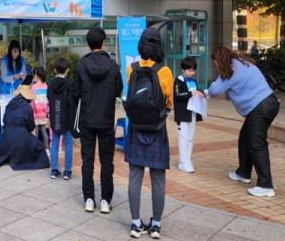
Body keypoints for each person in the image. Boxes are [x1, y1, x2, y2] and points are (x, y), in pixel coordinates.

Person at [207, 46, 279, 198]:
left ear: (220, 60)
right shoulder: (242, 62)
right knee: (245, 139)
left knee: (257, 144)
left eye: (215, 62)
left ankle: (266, 185)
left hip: (260, 107)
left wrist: (209, 90)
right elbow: (236, 88)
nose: (216, 66)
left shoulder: (231, 69)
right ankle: (243, 172)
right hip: (268, 103)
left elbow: (214, 90)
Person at [125, 27, 174, 239]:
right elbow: (169, 103)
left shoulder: (131, 69)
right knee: (158, 179)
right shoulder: (165, 72)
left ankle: (136, 223)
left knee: (135, 177)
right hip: (157, 130)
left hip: (136, 128)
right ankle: (156, 225)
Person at [72, 27, 123, 215]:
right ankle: (105, 201)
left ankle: (89, 199)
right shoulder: (113, 66)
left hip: (86, 119)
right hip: (106, 119)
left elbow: (75, 92)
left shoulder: (81, 65)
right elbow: (118, 90)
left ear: (88, 43)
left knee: (87, 160)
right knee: (106, 161)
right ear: (103, 42)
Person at [0, 84, 50, 170]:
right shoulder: (28, 107)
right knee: (39, 146)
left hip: (6, 136)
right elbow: (31, 126)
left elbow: (5, 120)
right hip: (20, 134)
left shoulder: (10, 104)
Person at [174, 57, 204, 174]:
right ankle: (183, 162)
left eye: (193, 70)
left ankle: (187, 160)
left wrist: (201, 93)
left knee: (190, 138)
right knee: (183, 138)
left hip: (192, 113)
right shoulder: (178, 81)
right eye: (189, 70)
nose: (192, 72)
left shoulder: (194, 81)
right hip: (182, 114)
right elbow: (177, 95)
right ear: (183, 69)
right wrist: (190, 93)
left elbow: (196, 92)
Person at [47, 57, 74, 180]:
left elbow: (49, 98)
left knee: (54, 143)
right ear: (67, 70)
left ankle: (54, 170)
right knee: (68, 144)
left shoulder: (50, 84)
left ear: (55, 70)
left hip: (55, 116)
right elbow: (71, 102)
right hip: (67, 118)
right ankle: (67, 171)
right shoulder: (69, 84)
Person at [30, 67, 49, 150]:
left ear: (37, 75)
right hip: (44, 114)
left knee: (35, 133)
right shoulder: (46, 86)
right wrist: (47, 112)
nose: (33, 76)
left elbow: (31, 101)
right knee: (44, 132)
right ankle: (47, 149)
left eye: (34, 74)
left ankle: (34, 149)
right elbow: (48, 101)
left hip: (35, 114)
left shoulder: (33, 87)